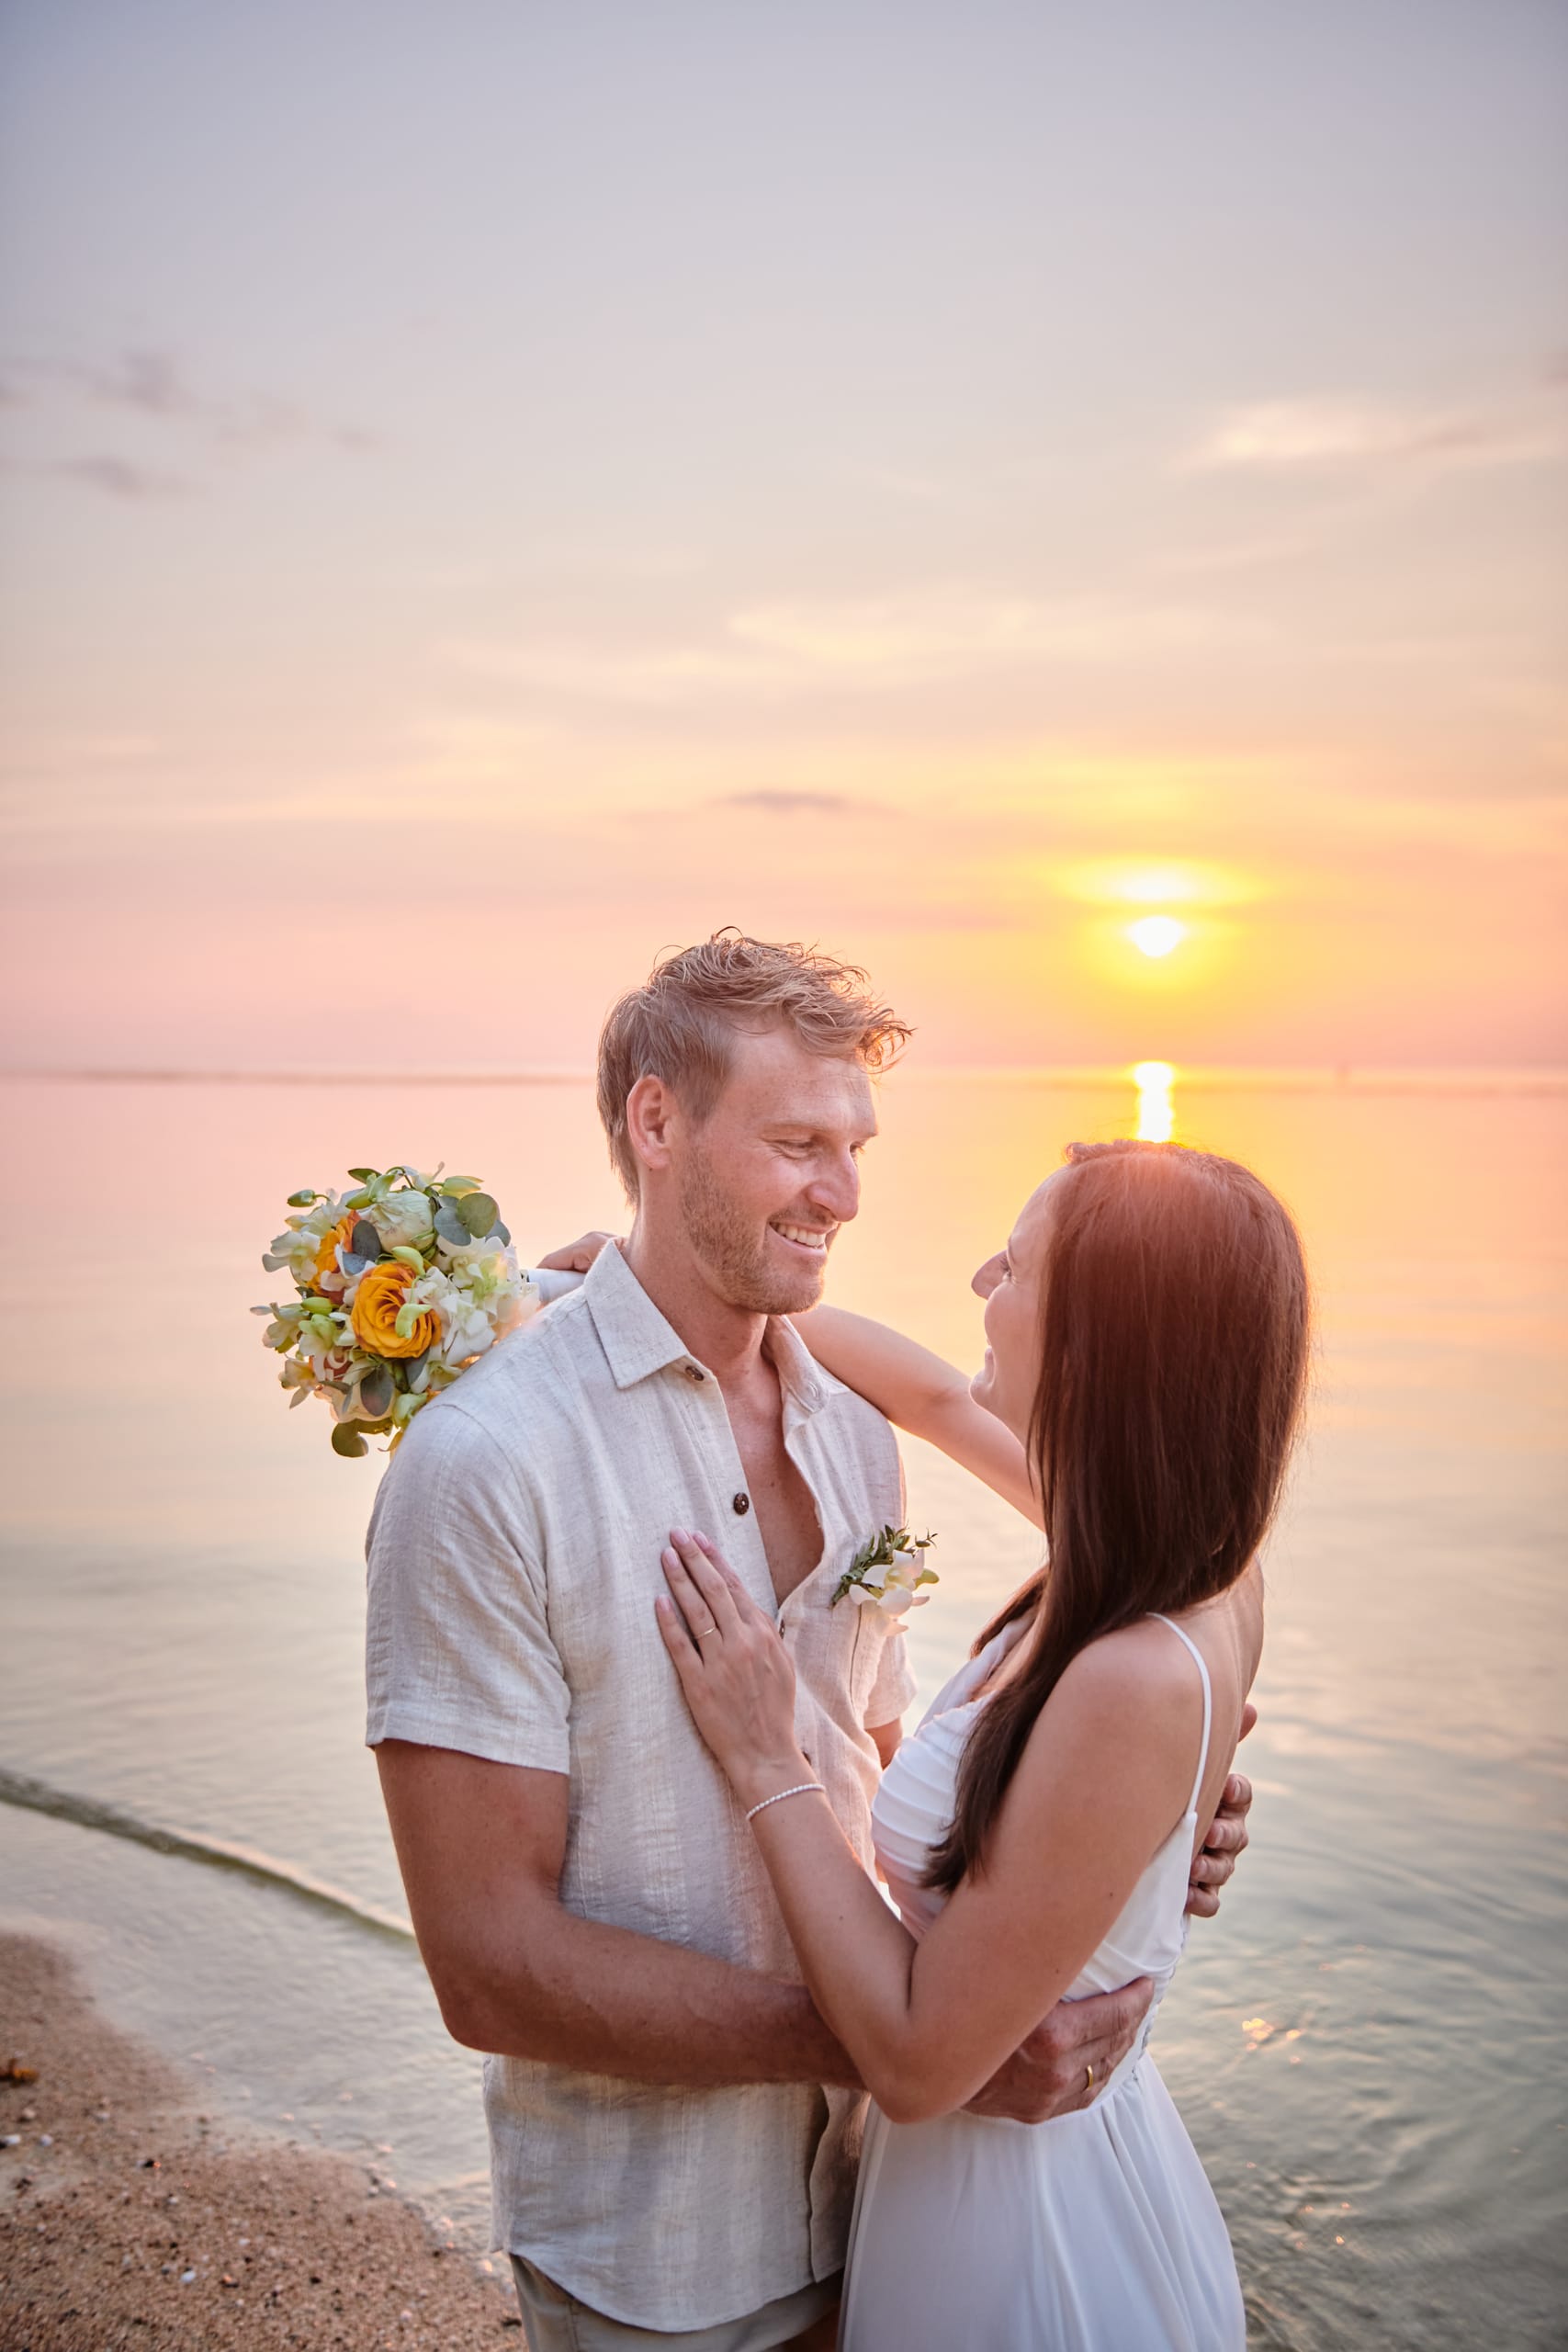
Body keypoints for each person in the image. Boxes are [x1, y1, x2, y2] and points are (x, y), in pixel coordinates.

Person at [365, 933, 1253, 2352]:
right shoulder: (489, 1461)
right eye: (794, 1143)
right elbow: (486, 1964)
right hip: (664, 2255)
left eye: (854, 1146)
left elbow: (884, 1765)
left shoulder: (855, 1439)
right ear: (656, 1124)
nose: (839, 1195)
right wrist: (935, 2048)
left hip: (899, 2210)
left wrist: (1110, 1837)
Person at [651, 1136, 1309, 2349]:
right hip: (992, 2186)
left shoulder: (1133, 1668)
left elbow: (912, 2061)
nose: (976, 1285)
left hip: (1025, 2243)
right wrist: (657, 1293)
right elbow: (933, 1397)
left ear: (1096, 1341)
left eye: (1012, 1266)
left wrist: (768, 1757)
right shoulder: (1175, 1558)